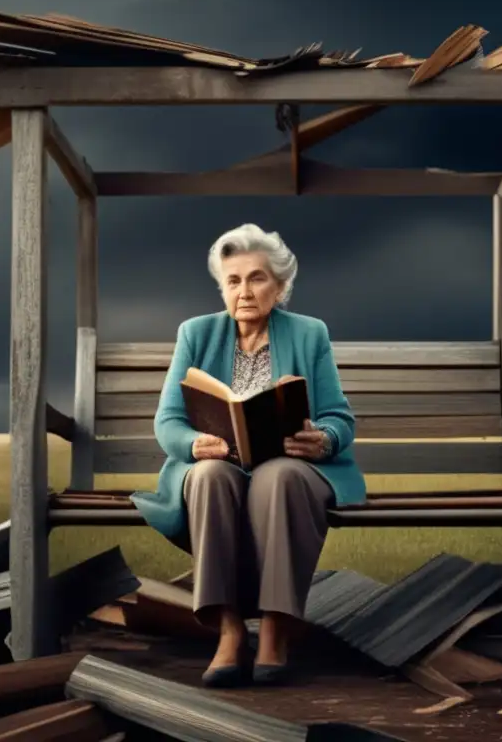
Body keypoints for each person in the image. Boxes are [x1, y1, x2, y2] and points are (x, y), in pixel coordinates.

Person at [130, 222, 367, 688]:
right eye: (233, 280)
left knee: (278, 476)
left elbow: (340, 417)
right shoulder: (196, 333)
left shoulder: (309, 333)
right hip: (220, 463)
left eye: (257, 278)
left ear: (279, 288)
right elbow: (168, 422)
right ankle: (230, 629)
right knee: (209, 477)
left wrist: (323, 438)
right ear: (222, 287)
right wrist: (193, 445)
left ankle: (276, 628)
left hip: (292, 467)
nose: (244, 291)